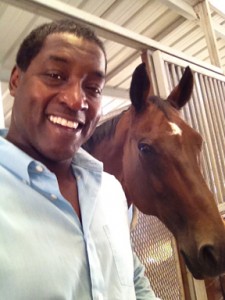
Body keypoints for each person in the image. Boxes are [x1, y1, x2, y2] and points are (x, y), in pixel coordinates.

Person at [0, 19, 160, 299]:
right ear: (16, 80)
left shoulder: (111, 191)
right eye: (55, 75)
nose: (76, 101)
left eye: (93, 88)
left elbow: (132, 278)